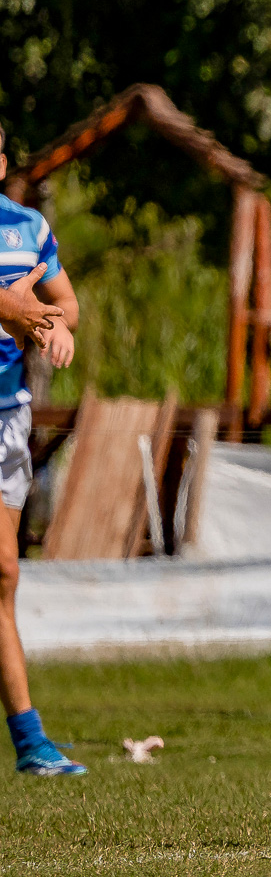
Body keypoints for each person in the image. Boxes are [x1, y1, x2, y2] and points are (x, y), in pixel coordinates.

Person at [0, 134, 84, 776]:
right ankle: (29, 738)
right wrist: (15, 310)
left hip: (8, 417)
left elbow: (67, 305)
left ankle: (30, 744)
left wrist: (52, 327)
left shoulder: (28, 227)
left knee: (4, 574)